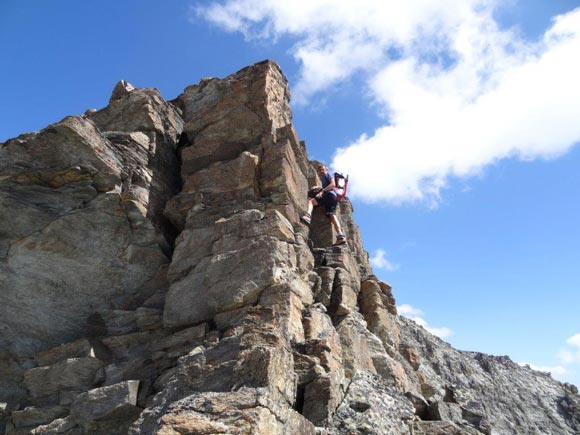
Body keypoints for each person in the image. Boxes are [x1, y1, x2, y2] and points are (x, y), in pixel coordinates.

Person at [301, 165, 347, 246]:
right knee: (332, 215)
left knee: (311, 202)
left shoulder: (327, 175)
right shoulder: (324, 179)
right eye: (319, 170)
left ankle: (307, 216)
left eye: (322, 169)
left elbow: (333, 184)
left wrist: (322, 191)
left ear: (326, 170)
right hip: (333, 198)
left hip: (329, 195)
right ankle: (340, 236)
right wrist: (319, 188)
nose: (320, 171)